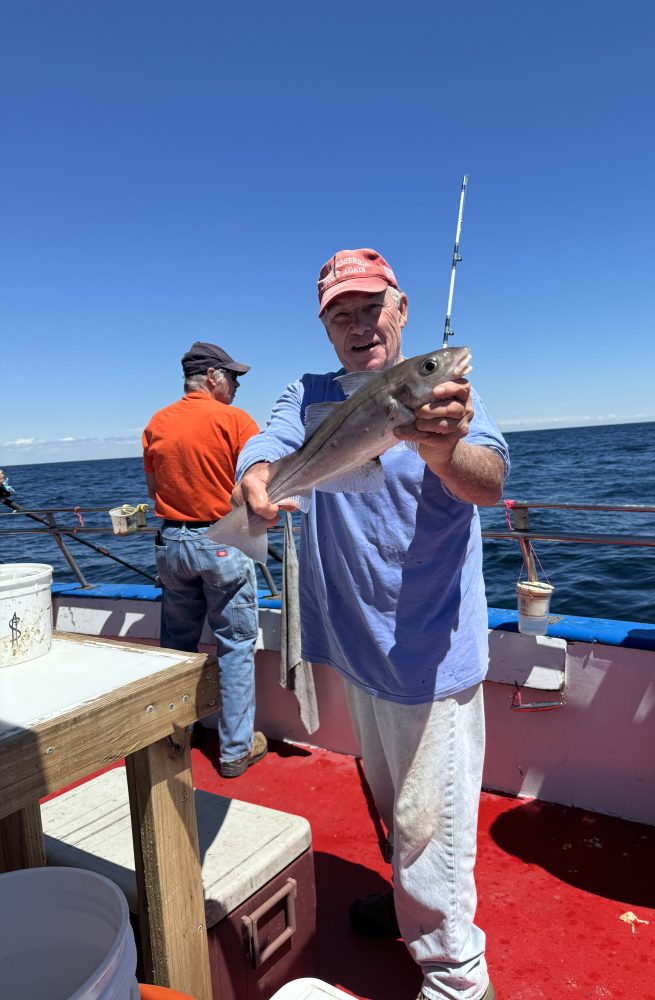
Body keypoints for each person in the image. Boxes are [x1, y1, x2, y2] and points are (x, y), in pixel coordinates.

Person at [234, 249, 508, 1000]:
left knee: (432, 823)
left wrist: (443, 447)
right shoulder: (311, 393)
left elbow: (490, 480)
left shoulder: (450, 396)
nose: (359, 325)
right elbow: (268, 442)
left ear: (402, 308)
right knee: (394, 804)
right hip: (355, 645)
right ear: (325, 326)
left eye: (370, 307)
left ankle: (458, 979)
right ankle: (406, 905)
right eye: (340, 314)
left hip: (428, 647)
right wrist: (257, 480)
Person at [143, 341, 267, 778]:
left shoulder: (157, 423)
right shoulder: (235, 421)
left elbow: (154, 487)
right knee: (233, 645)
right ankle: (235, 751)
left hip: (171, 544)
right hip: (221, 542)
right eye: (233, 377)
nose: (236, 385)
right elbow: (256, 486)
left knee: (176, 647)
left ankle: (179, 736)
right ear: (212, 377)